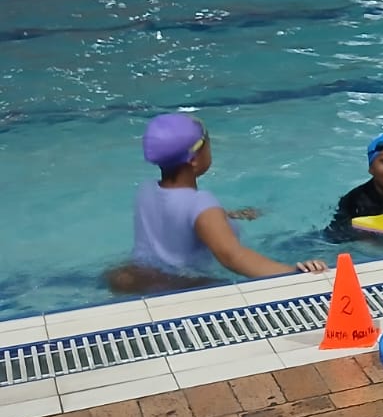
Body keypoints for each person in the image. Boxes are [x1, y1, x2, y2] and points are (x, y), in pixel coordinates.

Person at [105, 115, 327, 294]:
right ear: (194, 159)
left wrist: (225, 216)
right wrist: (292, 274)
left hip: (141, 279)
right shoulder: (201, 204)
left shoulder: (146, 190)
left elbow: (173, 216)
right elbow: (232, 256)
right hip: (184, 287)